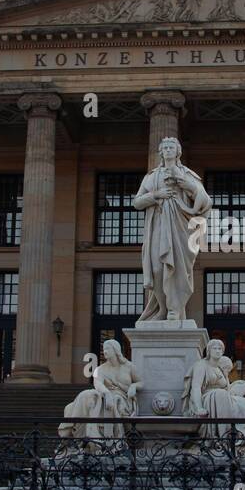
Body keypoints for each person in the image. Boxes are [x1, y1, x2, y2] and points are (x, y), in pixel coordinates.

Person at [132, 136, 211, 322]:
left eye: (171, 147)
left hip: (181, 227)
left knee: (178, 270)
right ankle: (162, 308)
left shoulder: (187, 174)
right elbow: (136, 202)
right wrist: (155, 195)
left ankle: (174, 309)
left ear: (178, 152)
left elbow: (205, 199)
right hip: (158, 225)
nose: (168, 150)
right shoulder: (151, 176)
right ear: (160, 151)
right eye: (165, 147)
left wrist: (187, 185)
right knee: (157, 269)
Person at [58, 339, 141, 441]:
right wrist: (106, 393)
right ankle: (74, 431)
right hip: (104, 394)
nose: (105, 351)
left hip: (122, 398)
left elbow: (141, 382)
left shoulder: (129, 366)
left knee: (107, 400)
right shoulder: (99, 369)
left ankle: (74, 432)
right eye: (104, 349)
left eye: (107, 349)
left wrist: (134, 386)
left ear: (115, 350)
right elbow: (97, 383)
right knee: (86, 395)